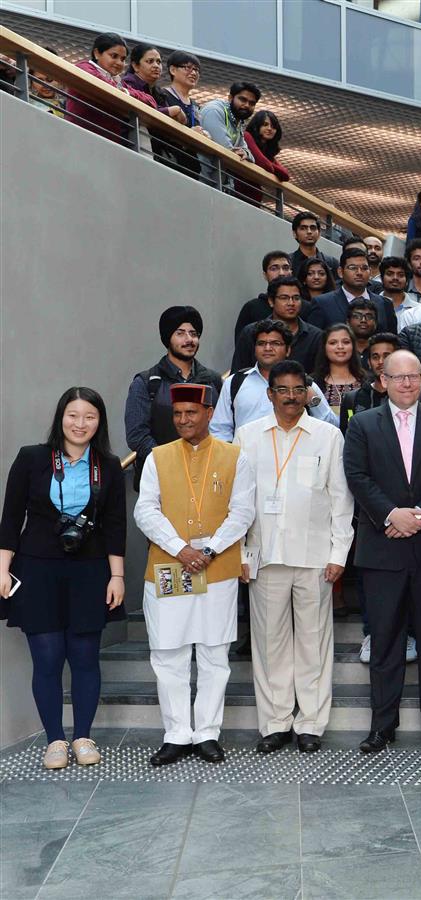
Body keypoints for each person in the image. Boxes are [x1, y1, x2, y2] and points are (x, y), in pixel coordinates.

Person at [0, 388, 126, 770]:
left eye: (89, 417)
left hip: (90, 571)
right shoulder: (32, 458)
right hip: (36, 568)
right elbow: (10, 517)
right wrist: (2, 568)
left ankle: (83, 735)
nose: (80, 424)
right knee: (48, 658)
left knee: (85, 656)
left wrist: (117, 575)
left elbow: (115, 525)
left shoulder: (107, 464)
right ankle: (55, 739)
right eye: (73, 415)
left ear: (99, 422)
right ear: (60, 417)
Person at [342, 350, 421, 754]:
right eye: (398, 377)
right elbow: (356, 475)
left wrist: (420, 516)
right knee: (386, 643)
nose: (407, 384)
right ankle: (382, 726)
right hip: (382, 549)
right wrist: (391, 513)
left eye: (413, 376)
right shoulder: (363, 424)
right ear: (383, 380)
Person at [134, 384, 255, 766]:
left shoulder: (236, 457)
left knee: (214, 652)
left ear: (207, 412)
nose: (183, 420)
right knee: (168, 652)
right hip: (170, 565)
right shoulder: (157, 456)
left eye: (191, 413)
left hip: (216, 569)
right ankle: (176, 733)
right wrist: (180, 547)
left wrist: (209, 549)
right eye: (177, 414)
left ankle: (206, 733)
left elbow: (242, 512)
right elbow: (145, 510)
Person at [234, 361, 352, 754]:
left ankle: (311, 724)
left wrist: (339, 553)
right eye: (281, 389)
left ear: (308, 393)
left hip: (316, 556)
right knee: (269, 643)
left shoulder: (327, 436)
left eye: (297, 389)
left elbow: (341, 499)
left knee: (314, 642)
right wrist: (239, 553)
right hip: (263, 556)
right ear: (269, 394)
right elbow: (237, 502)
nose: (290, 396)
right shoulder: (247, 436)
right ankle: (275, 722)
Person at [127, 306, 223, 487]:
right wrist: (170, 462)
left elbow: (222, 427)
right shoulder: (147, 382)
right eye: (180, 333)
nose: (189, 339)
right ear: (167, 338)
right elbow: (137, 435)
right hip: (160, 479)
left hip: (206, 477)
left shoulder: (213, 380)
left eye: (193, 333)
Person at [211, 320, 338, 440]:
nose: (267, 348)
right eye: (261, 343)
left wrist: (314, 401)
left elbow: (332, 427)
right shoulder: (234, 382)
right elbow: (219, 429)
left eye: (275, 343)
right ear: (254, 349)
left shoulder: (304, 383)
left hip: (293, 457)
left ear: (288, 350)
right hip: (245, 459)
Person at [63, 32, 158, 147]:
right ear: (97, 53)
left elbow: (151, 101)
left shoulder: (117, 81)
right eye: (114, 56)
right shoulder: (83, 69)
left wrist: (126, 92)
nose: (119, 63)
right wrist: (122, 92)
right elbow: (103, 85)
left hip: (108, 145)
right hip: (80, 140)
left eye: (123, 59)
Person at [232, 277, 323, 373]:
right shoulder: (250, 332)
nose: (291, 303)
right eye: (284, 298)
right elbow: (238, 373)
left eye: (296, 298)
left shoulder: (316, 336)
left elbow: (319, 376)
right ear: (271, 301)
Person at [306, 248, 397, 335]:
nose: (359, 272)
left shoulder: (384, 304)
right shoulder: (322, 303)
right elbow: (314, 341)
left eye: (364, 268)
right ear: (340, 272)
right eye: (353, 268)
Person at [311, 324, 367, 415]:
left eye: (346, 342)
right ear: (324, 347)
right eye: (333, 343)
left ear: (353, 346)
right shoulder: (313, 383)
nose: (340, 346)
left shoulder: (367, 381)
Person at [237, 110, 289, 207]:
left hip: (254, 195)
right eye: (265, 125)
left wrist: (270, 165)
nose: (269, 129)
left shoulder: (267, 150)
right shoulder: (247, 136)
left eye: (273, 127)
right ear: (257, 126)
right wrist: (270, 166)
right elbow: (265, 165)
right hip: (238, 191)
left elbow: (285, 175)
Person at [288, 211, 338, 281]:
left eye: (313, 228)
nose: (309, 231)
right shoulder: (288, 262)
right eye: (303, 228)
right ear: (294, 234)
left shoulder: (331, 263)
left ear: (319, 233)